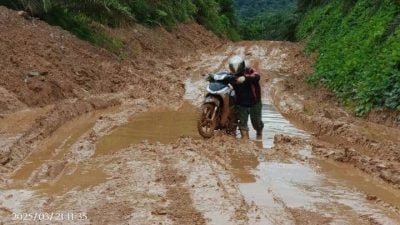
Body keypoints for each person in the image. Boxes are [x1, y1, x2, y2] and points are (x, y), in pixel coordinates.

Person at [229, 55, 264, 139]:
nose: (235, 69)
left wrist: (245, 78)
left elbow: (257, 76)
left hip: (254, 103)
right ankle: (245, 141)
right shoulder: (231, 76)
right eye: (233, 67)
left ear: (242, 65)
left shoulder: (249, 71)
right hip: (241, 104)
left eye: (237, 66)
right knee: (243, 124)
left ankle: (259, 132)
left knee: (257, 123)